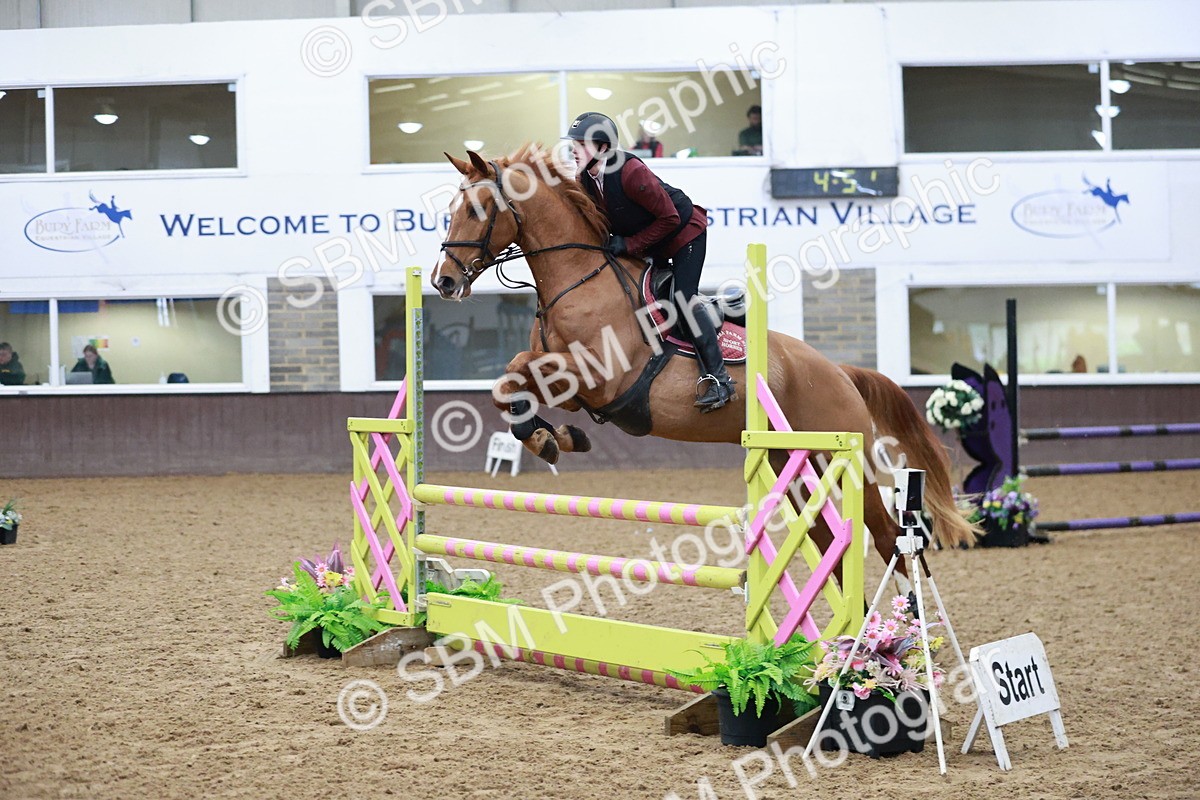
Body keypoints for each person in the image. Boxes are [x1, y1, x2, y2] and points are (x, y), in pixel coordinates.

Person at [563, 111, 736, 412]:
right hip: (652, 242)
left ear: (603, 148)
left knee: (682, 299)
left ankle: (720, 379)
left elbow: (669, 218)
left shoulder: (630, 172)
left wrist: (629, 244)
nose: (573, 150)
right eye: (573, 144)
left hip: (684, 235)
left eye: (581, 144)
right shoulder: (586, 180)